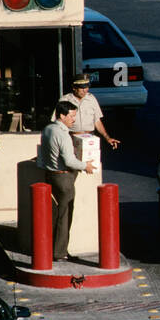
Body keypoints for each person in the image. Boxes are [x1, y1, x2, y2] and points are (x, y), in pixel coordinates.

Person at [39, 101, 95, 262]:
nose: (73, 120)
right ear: (62, 115)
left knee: (54, 215)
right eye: (71, 116)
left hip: (50, 175)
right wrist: (86, 166)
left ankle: (52, 249)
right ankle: (59, 252)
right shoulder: (62, 134)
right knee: (65, 215)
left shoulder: (48, 129)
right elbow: (69, 161)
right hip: (63, 178)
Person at [59, 75, 119, 150]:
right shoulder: (65, 100)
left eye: (87, 87)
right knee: (72, 161)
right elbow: (58, 122)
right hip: (71, 139)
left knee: (92, 161)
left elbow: (97, 121)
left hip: (90, 139)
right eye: (82, 88)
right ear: (74, 88)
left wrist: (107, 138)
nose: (85, 90)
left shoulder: (91, 99)